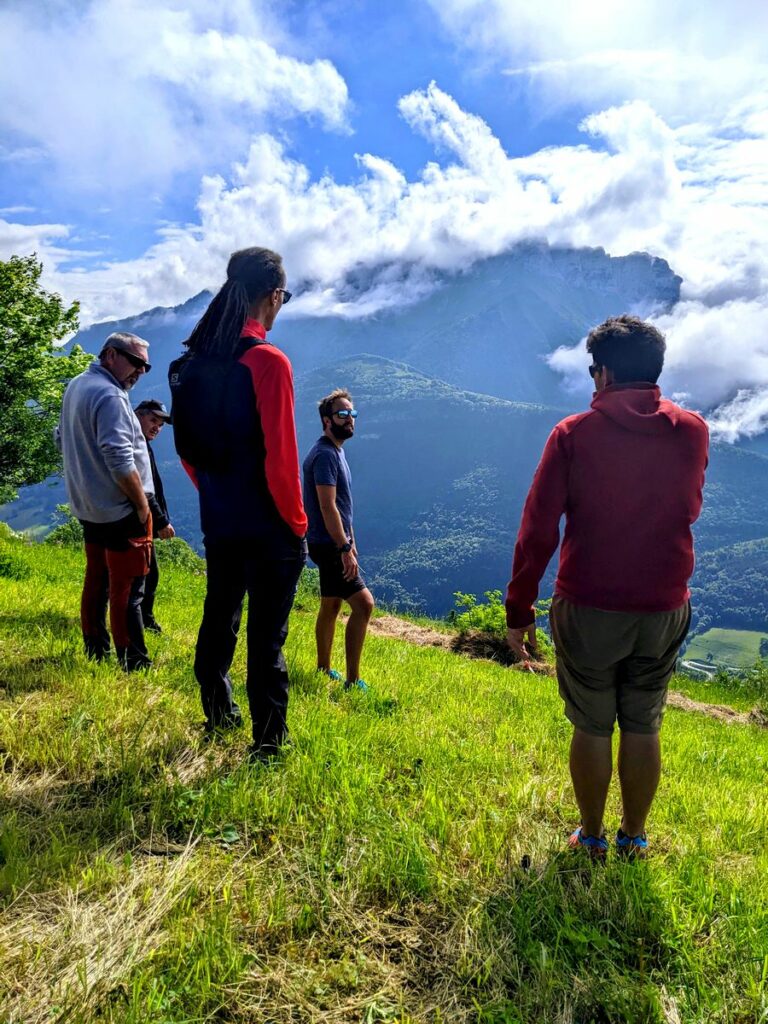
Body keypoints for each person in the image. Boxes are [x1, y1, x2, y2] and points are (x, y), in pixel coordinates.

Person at [505, 315, 709, 859]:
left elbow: (538, 529)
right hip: (664, 605)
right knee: (644, 719)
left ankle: (591, 836)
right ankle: (634, 837)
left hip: (590, 604)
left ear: (607, 373)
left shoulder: (573, 436)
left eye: (593, 369)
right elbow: (689, 507)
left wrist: (518, 607)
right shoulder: (692, 432)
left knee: (593, 723)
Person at [170, 247, 307, 759]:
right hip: (268, 525)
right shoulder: (267, 362)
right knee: (266, 638)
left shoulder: (189, 365)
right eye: (283, 298)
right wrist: (296, 524)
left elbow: (188, 453)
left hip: (220, 518)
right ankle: (269, 743)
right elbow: (281, 458)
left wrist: (216, 493)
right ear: (273, 296)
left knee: (219, 613)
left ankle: (218, 712)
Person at [57, 332, 156, 671]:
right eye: (136, 363)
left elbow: (61, 438)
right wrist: (141, 505)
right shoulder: (111, 395)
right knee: (128, 587)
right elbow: (118, 457)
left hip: (89, 505)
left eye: (146, 367)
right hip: (121, 508)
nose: (141, 372)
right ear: (110, 355)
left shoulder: (77, 386)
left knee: (96, 578)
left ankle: (95, 649)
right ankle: (134, 661)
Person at [303, 389, 375, 690]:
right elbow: (327, 504)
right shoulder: (324, 455)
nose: (349, 420)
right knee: (364, 605)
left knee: (331, 604)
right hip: (329, 543)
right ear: (326, 421)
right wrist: (344, 547)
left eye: (352, 414)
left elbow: (343, 506)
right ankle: (353, 679)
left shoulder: (335, 452)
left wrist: (351, 540)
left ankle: (323, 668)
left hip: (330, 541)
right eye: (342, 414)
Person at [134, 399, 176, 632]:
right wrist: (161, 521)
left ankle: (143, 618)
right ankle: (143, 621)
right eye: (153, 421)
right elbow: (143, 488)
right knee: (147, 575)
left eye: (160, 425)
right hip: (136, 519)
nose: (156, 428)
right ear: (138, 415)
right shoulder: (135, 442)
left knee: (145, 573)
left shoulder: (140, 441)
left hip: (138, 518)